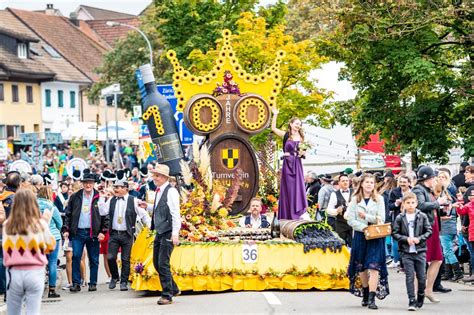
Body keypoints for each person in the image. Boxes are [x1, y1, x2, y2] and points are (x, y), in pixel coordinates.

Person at [2, 189, 56, 315]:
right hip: (35, 271)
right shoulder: (40, 224)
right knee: (33, 311)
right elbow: (51, 246)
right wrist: (46, 223)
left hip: (13, 272)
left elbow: (6, 250)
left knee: (13, 311)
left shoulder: (7, 226)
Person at [98, 180, 151, 291]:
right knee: (110, 257)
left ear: (126, 188)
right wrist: (102, 198)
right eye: (115, 187)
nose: (116, 189)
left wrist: (151, 227)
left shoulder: (134, 200)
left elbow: (144, 215)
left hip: (127, 234)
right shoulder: (112, 200)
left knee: (125, 259)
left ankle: (124, 281)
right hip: (114, 234)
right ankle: (115, 276)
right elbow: (102, 212)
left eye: (118, 187)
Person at [346, 173, 388, 310]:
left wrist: (367, 217)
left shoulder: (379, 199)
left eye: (372, 182)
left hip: (375, 236)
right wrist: (363, 227)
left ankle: (372, 297)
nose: (370, 184)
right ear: (362, 184)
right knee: (362, 267)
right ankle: (365, 291)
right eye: (367, 182)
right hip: (360, 235)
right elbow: (351, 220)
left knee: (374, 267)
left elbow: (381, 218)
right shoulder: (355, 200)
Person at [63, 172, 109, 292]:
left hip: (93, 232)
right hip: (78, 232)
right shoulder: (75, 196)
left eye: (90, 183)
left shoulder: (99, 197)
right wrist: (66, 229)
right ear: (82, 184)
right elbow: (68, 214)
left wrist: (103, 231)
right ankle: (76, 283)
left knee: (93, 259)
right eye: (86, 183)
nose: (88, 185)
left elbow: (105, 215)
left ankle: (93, 283)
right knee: (76, 256)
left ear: (94, 184)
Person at [145, 164, 181, 305]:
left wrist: (175, 233)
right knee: (156, 262)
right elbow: (159, 208)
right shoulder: (160, 190)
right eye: (154, 175)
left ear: (165, 177)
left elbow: (175, 213)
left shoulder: (171, 191)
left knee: (163, 263)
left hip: (167, 230)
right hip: (160, 230)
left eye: (157, 175)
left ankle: (167, 294)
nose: (154, 178)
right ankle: (174, 288)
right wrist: (146, 206)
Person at [412, 166, 447, 302]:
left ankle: (428, 289)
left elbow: (431, 207)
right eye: (434, 177)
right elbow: (420, 205)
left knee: (437, 259)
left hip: (432, 228)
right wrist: (438, 202)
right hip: (424, 230)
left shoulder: (427, 190)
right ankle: (417, 293)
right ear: (428, 178)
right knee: (421, 261)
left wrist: (442, 208)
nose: (435, 180)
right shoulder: (418, 190)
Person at [392, 192, 432, 311]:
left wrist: (419, 239)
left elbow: (429, 231)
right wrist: (405, 239)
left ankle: (421, 294)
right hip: (406, 251)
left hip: (420, 250)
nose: (410, 205)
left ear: (416, 203)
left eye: (412, 203)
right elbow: (394, 233)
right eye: (408, 203)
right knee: (409, 276)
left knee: (421, 276)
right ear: (403, 204)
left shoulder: (422, 216)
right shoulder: (400, 217)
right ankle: (411, 300)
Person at [271, 108, 309, 220]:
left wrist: (302, 153)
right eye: (297, 124)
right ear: (291, 124)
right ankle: (287, 215)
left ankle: (297, 214)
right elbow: (273, 128)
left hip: (297, 165)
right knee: (289, 189)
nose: (298, 126)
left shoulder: (302, 137)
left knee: (297, 187)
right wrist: (275, 115)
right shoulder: (286, 135)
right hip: (288, 164)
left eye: (300, 124)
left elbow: (303, 151)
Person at [37, 186, 63, 298]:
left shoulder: (33, 206)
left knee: (40, 264)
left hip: (37, 237)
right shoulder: (52, 206)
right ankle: (52, 290)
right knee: (52, 263)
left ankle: (38, 289)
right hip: (52, 237)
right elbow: (60, 223)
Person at [0, 171, 21, 298]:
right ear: (18, 184)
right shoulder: (15, 199)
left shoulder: (2, 197)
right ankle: (8, 289)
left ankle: (2, 287)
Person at [387, 175, 412, 268]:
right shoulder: (394, 192)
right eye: (401, 182)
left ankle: (406, 261)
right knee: (396, 239)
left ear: (409, 183)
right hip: (398, 218)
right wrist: (396, 203)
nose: (402, 184)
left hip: (411, 219)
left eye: (404, 182)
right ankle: (397, 260)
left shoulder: (413, 192)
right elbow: (389, 206)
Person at [326, 174, 353, 247]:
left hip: (353, 223)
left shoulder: (355, 192)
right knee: (341, 245)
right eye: (343, 181)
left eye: (347, 181)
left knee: (354, 245)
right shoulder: (334, 194)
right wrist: (336, 211)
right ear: (339, 183)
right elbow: (328, 209)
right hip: (340, 223)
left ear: (349, 182)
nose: (345, 182)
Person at [455, 187, 474, 282]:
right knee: (473, 253)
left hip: (471, 231)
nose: (471, 197)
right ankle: (473, 273)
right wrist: (459, 201)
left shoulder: (469, 205)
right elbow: (461, 211)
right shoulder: (469, 205)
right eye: (470, 196)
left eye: (473, 196)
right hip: (472, 232)